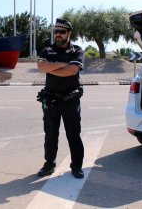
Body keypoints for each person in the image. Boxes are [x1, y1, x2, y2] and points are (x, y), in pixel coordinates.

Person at [36, 18, 85, 179]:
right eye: (56, 31)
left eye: (61, 32)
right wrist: (63, 64)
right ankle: (49, 164)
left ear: (69, 33)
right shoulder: (47, 50)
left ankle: (76, 166)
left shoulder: (77, 50)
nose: (58, 34)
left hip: (71, 100)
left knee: (73, 134)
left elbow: (72, 70)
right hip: (51, 100)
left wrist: (52, 67)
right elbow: (41, 67)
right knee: (50, 134)